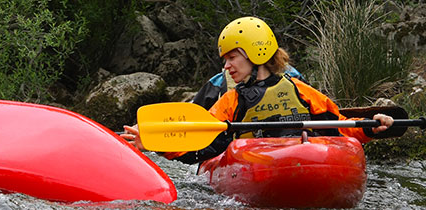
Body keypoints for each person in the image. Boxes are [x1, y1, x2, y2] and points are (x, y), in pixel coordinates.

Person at [121, 16, 394, 164]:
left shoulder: (301, 91)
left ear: (255, 52)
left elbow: (339, 127)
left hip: (307, 158)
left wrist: (371, 126)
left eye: (231, 57)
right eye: (225, 60)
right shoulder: (230, 101)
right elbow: (200, 148)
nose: (226, 66)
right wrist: (158, 146)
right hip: (258, 163)